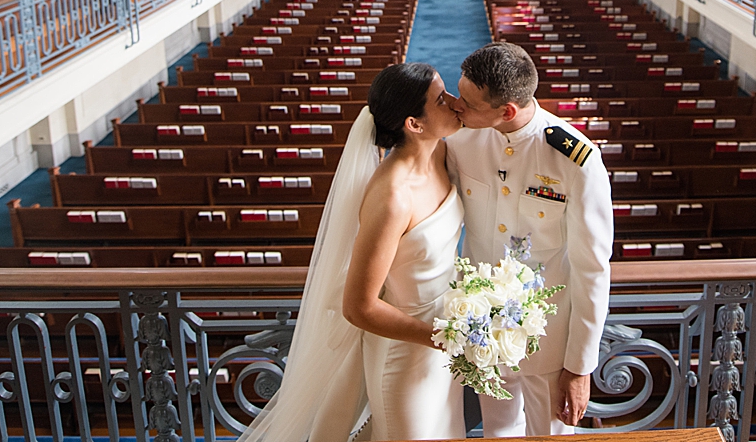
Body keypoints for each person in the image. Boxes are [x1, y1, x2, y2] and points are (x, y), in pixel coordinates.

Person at [237, 62, 466, 442]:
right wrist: (441, 337)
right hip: (405, 352)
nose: (456, 104)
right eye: (442, 99)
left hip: (444, 345)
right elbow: (358, 307)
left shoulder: (442, 154)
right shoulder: (392, 197)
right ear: (414, 124)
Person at [446, 42, 613, 436]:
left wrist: (579, 366)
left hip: (549, 339)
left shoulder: (575, 160)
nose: (456, 107)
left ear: (506, 111)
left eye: (468, 103)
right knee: (496, 433)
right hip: (482, 329)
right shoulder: (460, 143)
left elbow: (592, 269)